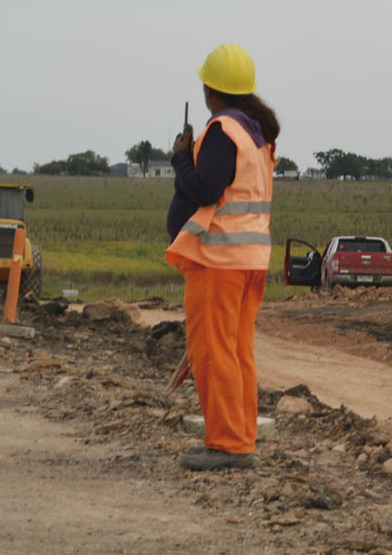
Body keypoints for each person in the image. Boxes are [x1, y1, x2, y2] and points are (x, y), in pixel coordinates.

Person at [166, 44, 280, 471]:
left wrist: (181, 156)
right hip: (249, 259)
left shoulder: (222, 131)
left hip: (219, 261)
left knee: (214, 353)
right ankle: (239, 438)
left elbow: (205, 189)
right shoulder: (256, 134)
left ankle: (228, 445)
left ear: (212, 90)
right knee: (237, 352)